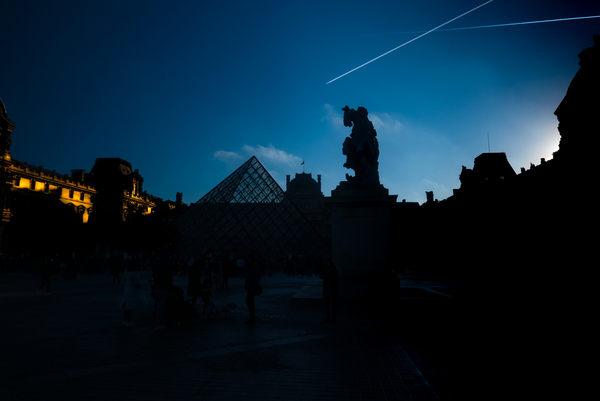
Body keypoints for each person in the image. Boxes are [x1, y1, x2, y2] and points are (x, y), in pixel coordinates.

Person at [119, 262, 143, 326]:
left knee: (126, 306)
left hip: (126, 289)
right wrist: (140, 287)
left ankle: (125, 320)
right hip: (132, 290)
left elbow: (123, 280)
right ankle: (128, 321)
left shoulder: (127, 272)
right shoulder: (135, 273)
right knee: (130, 306)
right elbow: (136, 282)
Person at [152, 255, 173, 330]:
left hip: (156, 288)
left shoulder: (155, 268)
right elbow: (170, 279)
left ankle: (157, 322)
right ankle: (158, 324)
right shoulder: (167, 268)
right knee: (161, 306)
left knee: (157, 305)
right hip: (163, 288)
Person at [319, 259, 338, 323]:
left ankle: (331, 317)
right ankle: (330, 317)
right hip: (330, 286)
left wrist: (328, 273)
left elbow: (336, 275)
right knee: (329, 303)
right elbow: (320, 275)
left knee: (331, 303)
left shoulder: (331, 267)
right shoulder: (330, 267)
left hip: (329, 286)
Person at [244, 257, 261, 326]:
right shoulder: (253, 266)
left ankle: (252, 318)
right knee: (250, 302)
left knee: (249, 301)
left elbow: (254, 277)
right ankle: (252, 318)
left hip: (251, 287)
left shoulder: (254, 266)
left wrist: (252, 285)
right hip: (250, 286)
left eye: (248, 258)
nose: (246, 259)